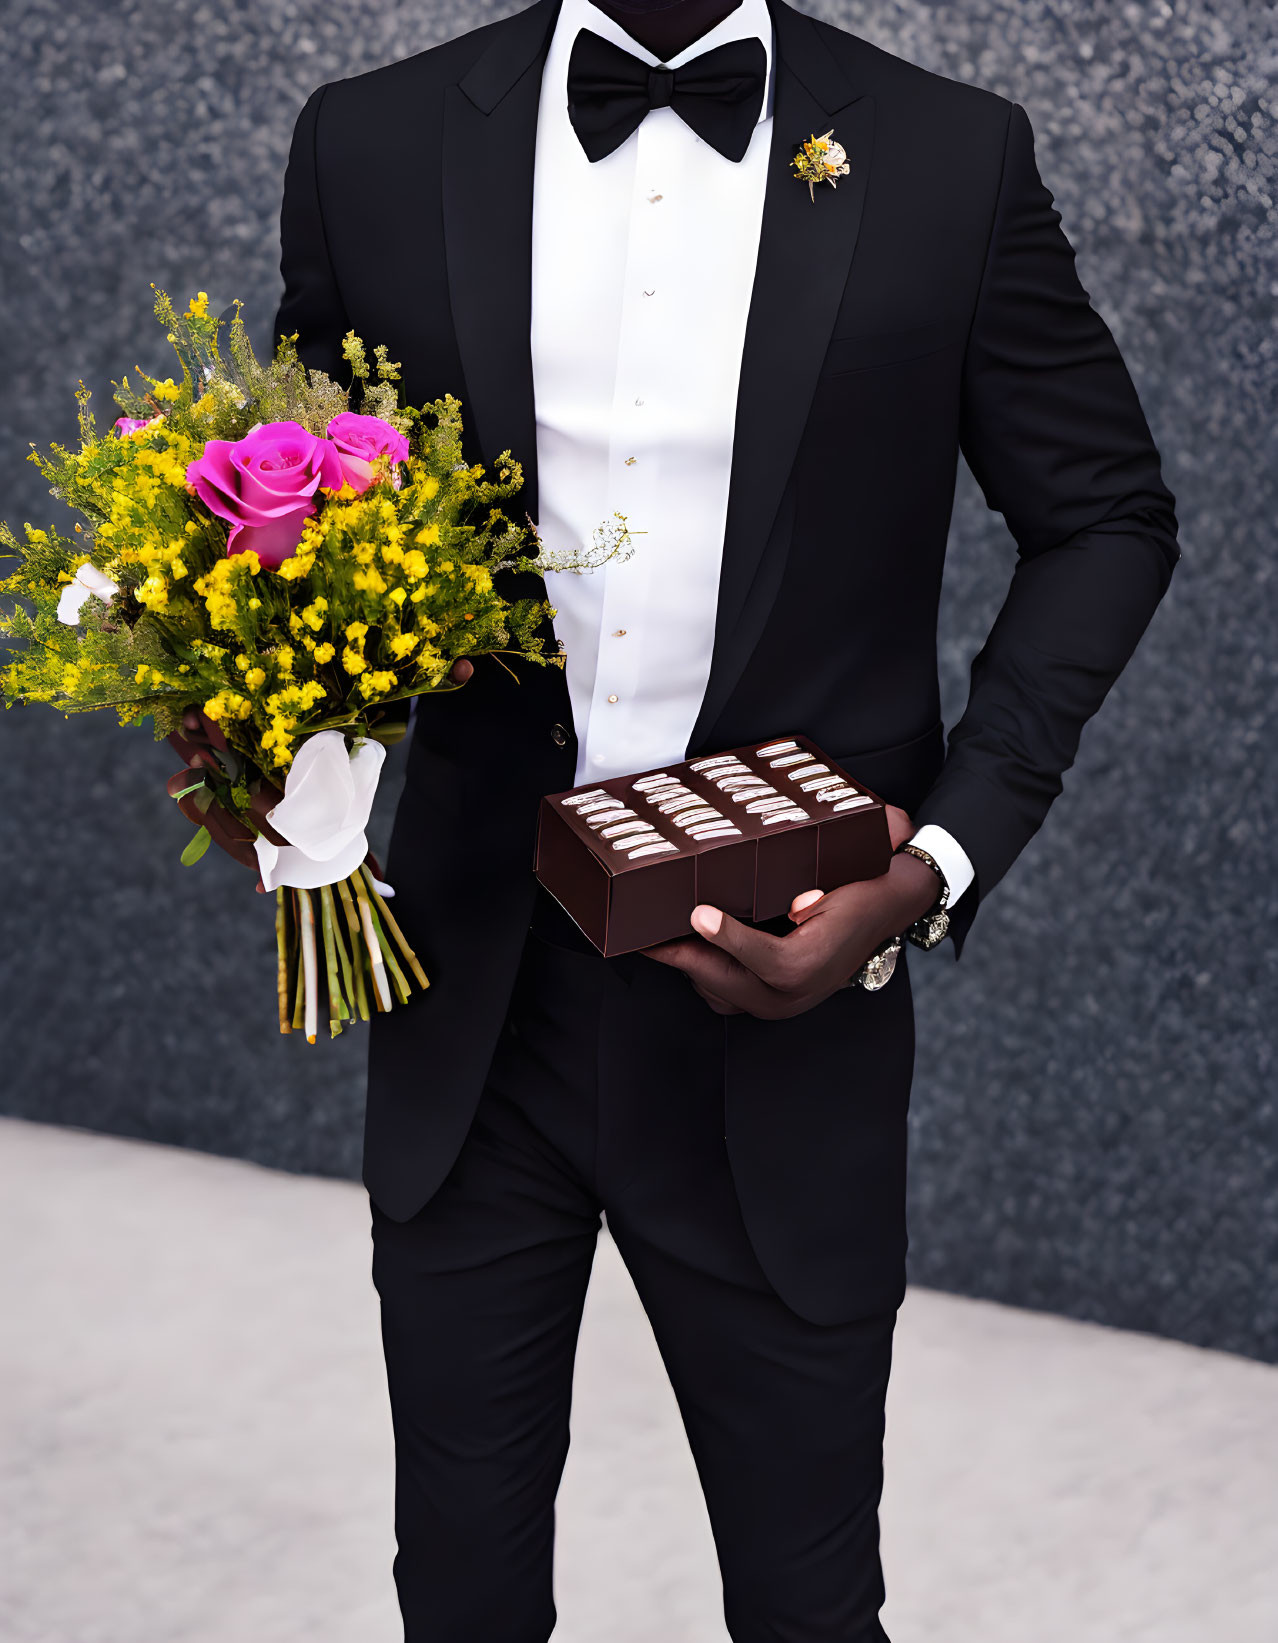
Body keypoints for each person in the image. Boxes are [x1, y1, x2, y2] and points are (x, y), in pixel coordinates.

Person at [175, 0, 1180, 1635]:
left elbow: (1106, 519)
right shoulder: (368, 138)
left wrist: (927, 862)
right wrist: (261, 743)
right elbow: (295, 514)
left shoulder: (946, 153)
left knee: (802, 1601)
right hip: (468, 1000)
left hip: (787, 997)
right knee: (462, 1594)